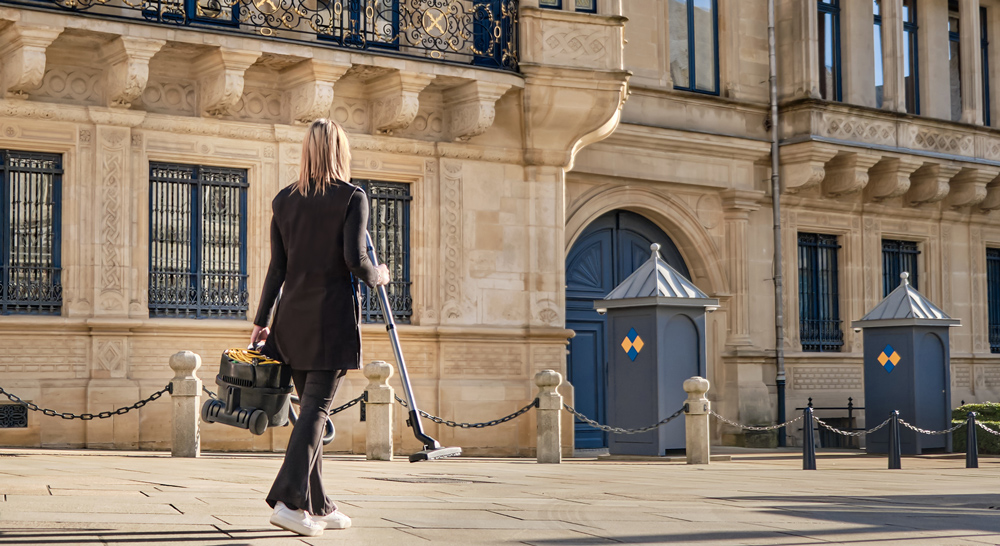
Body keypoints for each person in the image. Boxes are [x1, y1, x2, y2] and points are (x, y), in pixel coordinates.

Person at [250, 118, 390, 537]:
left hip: (289, 323)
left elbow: (278, 269)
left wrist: (261, 322)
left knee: (309, 412)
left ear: (307, 152)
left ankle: (320, 504)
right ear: (340, 151)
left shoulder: (283, 200)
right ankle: (290, 502)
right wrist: (380, 274)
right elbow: (355, 260)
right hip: (330, 319)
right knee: (316, 410)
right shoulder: (352, 197)